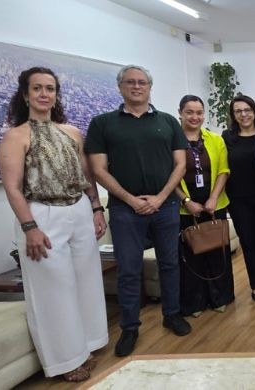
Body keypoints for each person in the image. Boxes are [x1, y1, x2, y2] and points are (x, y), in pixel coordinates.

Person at [0, 66, 108, 382]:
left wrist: (97, 208)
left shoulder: (71, 132)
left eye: (50, 88)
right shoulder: (15, 136)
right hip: (42, 215)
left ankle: (87, 345)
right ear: (25, 94)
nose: (44, 94)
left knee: (86, 280)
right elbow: (13, 187)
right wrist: (30, 228)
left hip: (79, 208)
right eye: (38, 88)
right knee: (53, 288)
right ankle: (65, 360)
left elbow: (86, 175)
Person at [85, 64, 191, 357]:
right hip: (124, 210)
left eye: (142, 82)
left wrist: (160, 197)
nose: (136, 87)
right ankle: (130, 328)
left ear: (149, 87)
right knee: (128, 271)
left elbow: (180, 164)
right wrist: (131, 200)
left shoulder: (168, 122)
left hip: (166, 206)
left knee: (170, 264)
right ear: (120, 87)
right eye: (130, 82)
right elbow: (97, 169)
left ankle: (172, 314)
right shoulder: (103, 123)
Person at [173, 95, 234, 317]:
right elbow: (166, 177)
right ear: (180, 112)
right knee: (191, 256)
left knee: (217, 252)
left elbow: (223, 171)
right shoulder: (172, 141)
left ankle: (220, 297)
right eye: (190, 112)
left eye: (199, 112)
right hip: (184, 207)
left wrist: (213, 199)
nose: (195, 117)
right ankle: (194, 303)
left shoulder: (215, 140)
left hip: (213, 204)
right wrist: (186, 201)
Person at [222, 95, 255, 302]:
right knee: (248, 242)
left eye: (247, 110)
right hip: (238, 199)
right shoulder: (227, 137)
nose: (244, 114)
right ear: (233, 115)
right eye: (238, 111)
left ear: (254, 111)